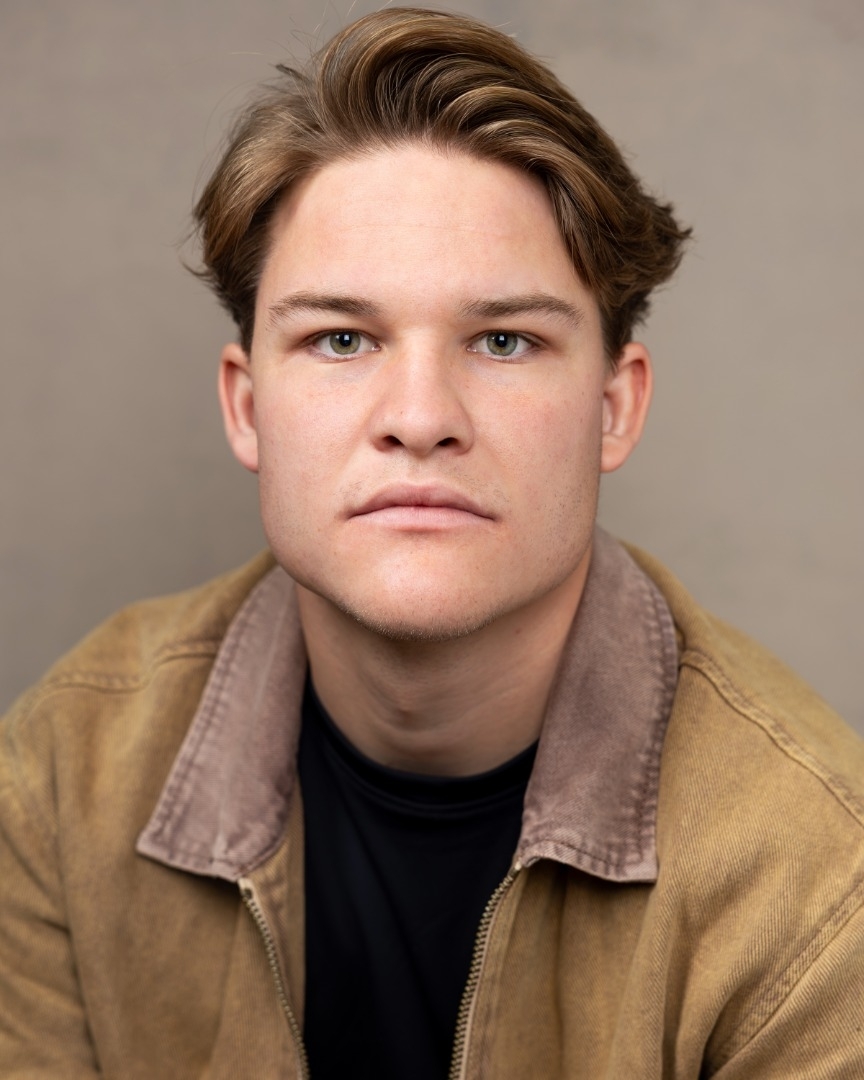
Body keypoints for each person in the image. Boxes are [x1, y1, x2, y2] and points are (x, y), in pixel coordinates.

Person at [1, 7, 863, 1078]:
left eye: (503, 340)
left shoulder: (823, 882)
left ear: (614, 408)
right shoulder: (61, 776)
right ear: (247, 408)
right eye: (341, 338)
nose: (419, 417)